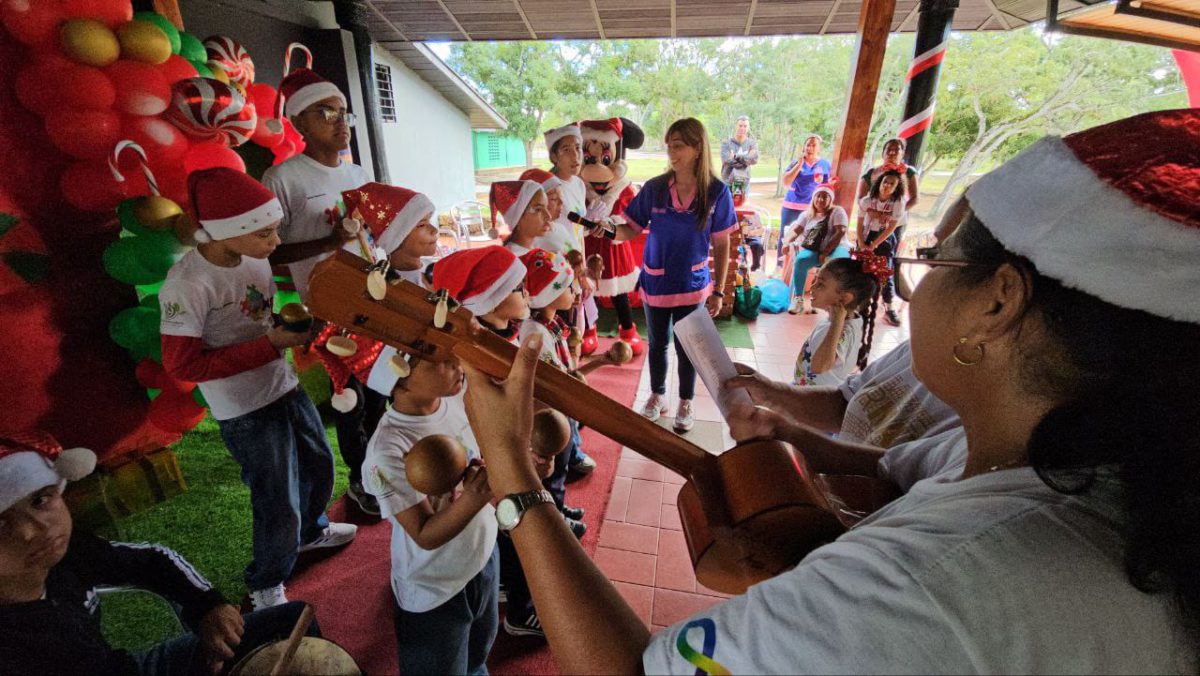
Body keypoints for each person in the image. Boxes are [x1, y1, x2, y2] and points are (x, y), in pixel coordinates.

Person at [455, 109, 1200, 673]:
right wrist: (788, 431)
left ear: (997, 304)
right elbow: (891, 469)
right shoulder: (1067, 459)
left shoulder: (919, 588)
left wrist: (514, 473)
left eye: (935, 258)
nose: (916, 281)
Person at [159, 168, 355, 610]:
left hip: (282, 383)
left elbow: (260, 314)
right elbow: (183, 364)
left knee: (319, 463)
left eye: (275, 229)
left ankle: (310, 532)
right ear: (224, 231)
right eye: (265, 232)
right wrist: (269, 345)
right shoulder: (188, 284)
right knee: (275, 496)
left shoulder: (254, 256)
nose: (275, 241)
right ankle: (266, 580)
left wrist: (291, 325)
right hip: (242, 408)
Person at [0, 432, 323, 676]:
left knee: (290, 621)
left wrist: (207, 607)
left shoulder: (70, 552)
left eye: (40, 500)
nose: (31, 531)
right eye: (1, 523)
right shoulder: (13, 641)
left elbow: (152, 561)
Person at [261, 68, 379, 516]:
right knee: (350, 397)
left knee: (383, 389)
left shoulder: (358, 173)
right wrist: (328, 242)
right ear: (299, 123)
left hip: (372, 297)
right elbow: (268, 251)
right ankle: (361, 481)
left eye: (343, 112)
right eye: (325, 113)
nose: (340, 121)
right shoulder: (283, 178)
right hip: (325, 306)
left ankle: (384, 469)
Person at [360, 348, 499, 675]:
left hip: (482, 556)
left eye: (453, 355)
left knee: (477, 658)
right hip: (434, 587)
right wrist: (473, 498)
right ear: (400, 378)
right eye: (441, 362)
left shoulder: (455, 399)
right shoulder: (387, 451)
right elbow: (423, 533)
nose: (457, 364)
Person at [614, 118, 735, 433]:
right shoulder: (655, 188)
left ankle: (685, 401)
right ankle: (657, 395)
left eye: (678, 146)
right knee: (657, 343)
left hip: (691, 284)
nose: (671, 153)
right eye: (669, 146)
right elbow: (630, 229)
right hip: (656, 282)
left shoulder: (716, 191)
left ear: (697, 148)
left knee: (687, 347)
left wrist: (719, 290)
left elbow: (722, 243)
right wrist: (609, 231)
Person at [579, 117, 645, 356]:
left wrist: (611, 224)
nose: (597, 165)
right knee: (586, 291)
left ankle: (627, 330)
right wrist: (586, 220)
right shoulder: (577, 186)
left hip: (614, 249)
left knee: (619, 292)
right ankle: (588, 330)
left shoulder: (623, 188)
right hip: (586, 246)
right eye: (590, 159)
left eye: (605, 159)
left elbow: (631, 220)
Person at [858, 137, 920, 326]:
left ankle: (888, 306)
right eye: (889, 149)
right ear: (883, 152)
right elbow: (861, 200)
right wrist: (875, 213)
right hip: (869, 227)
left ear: (902, 152)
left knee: (885, 265)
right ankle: (862, 303)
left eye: (896, 150)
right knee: (864, 264)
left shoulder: (908, 172)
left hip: (893, 227)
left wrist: (892, 214)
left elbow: (914, 199)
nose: (892, 153)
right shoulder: (873, 173)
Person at [791, 258, 880, 387]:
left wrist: (837, 323)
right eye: (815, 280)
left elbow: (819, 366)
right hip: (805, 389)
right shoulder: (843, 319)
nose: (812, 287)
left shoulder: (844, 330)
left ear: (844, 298)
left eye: (821, 284)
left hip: (816, 396)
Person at [779, 184, 851, 314]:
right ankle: (798, 299)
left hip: (837, 247)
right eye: (818, 196)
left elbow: (840, 232)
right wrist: (786, 242)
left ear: (831, 199)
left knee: (835, 264)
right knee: (800, 261)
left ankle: (832, 301)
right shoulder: (807, 214)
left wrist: (826, 252)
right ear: (813, 198)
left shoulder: (837, 211)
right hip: (815, 248)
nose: (821, 199)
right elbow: (796, 230)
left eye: (825, 197)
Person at [857, 170, 908, 325]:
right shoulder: (867, 200)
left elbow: (891, 227)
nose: (887, 186)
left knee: (884, 272)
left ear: (896, 188)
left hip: (883, 238)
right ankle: (860, 304)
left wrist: (875, 244)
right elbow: (859, 222)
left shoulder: (897, 203)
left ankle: (889, 307)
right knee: (862, 271)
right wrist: (861, 242)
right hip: (866, 235)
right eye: (885, 182)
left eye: (892, 184)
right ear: (879, 182)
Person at [779, 134, 831, 257]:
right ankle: (780, 263)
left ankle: (799, 262)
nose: (810, 148)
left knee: (807, 237)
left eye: (814, 145)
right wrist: (799, 165)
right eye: (808, 145)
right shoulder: (796, 162)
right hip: (791, 205)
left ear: (819, 148)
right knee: (785, 235)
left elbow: (826, 186)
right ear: (804, 147)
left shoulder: (824, 164)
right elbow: (786, 182)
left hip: (811, 208)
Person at [493, 179, 551, 256]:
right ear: (518, 219)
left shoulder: (532, 251)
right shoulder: (517, 259)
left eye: (546, 207)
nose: (548, 216)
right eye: (538, 209)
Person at [719, 116, 759, 197]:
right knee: (726, 205)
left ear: (748, 128)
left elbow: (754, 159)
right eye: (740, 126)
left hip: (743, 182)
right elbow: (726, 160)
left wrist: (735, 156)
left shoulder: (752, 143)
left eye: (745, 126)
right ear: (736, 126)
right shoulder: (726, 143)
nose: (742, 128)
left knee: (741, 205)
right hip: (727, 182)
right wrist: (746, 159)